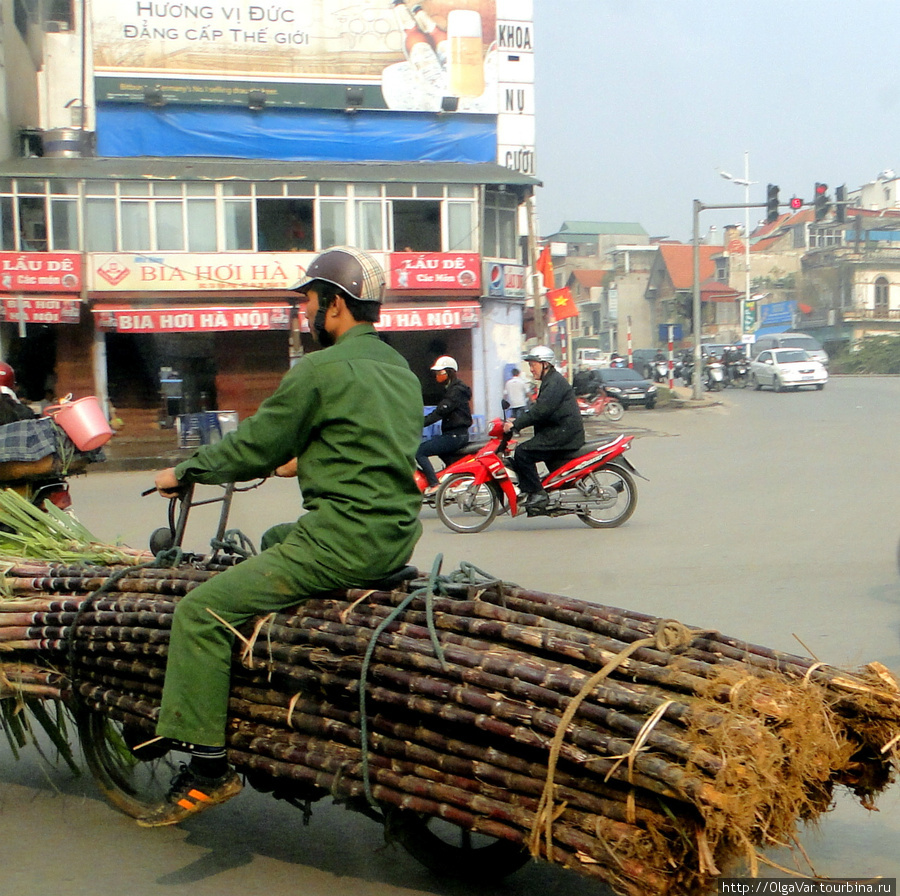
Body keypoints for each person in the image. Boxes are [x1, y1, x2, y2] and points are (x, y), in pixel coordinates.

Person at [144, 247, 424, 827]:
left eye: (310, 302)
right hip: (393, 533)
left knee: (199, 613)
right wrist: (309, 456)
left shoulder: (318, 371)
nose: (307, 313)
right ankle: (281, 667)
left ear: (336, 305)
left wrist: (184, 472)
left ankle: (209, 767)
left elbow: (253, 447)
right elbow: (368, 442)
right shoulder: (398, 369)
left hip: (342, 541)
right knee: (274, 536)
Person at [503, 345, 584, 515]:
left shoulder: (554, 383)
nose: (531, 369)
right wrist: (516, 420)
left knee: (522, 453)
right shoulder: (550, 381)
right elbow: (538, 409)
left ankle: (538, 494)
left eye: (533, 365)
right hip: (559, 431)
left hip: (563, 434)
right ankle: (535, 490)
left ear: (545, 364)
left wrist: (516, 425)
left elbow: (541, 411)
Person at [416, 356, 472, 496]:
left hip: (455, 436)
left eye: (440, 373)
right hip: (454, 434)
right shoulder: (451, 389)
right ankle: (448, 481)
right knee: (439, 450)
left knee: (419, 451)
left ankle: (434, 484)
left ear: (449, 372)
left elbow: (439, 412)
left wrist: (417, 424)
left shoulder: (456, 391)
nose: (437, 376)